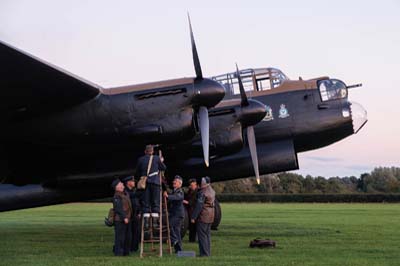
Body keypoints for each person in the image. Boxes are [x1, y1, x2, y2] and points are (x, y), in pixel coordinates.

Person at [135, 145, 166, 230]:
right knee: (155, 202)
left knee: (146, 202)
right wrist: (161, 161)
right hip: (155, 182)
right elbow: (163, 168)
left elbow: (137, 172)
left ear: (145, 151)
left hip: (145, 184)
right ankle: (155, 223)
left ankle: (146, 223)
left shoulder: (140, 159)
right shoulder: (156, 158)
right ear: (152, 151)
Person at [191, 176, 215, 257]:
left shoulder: (202, 192)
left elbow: (199, 205)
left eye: (201, 181)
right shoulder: (212, 191)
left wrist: (193, 217)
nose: (200, 183)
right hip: (211, 215)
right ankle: (208, 252)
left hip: (203, 216)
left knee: (202, 236)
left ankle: (204, 254)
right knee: (207, 235)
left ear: (204, 183)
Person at [111, 179, 132, 256]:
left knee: (127, 237)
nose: (122, 184)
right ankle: (118, 253)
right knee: (120, 238)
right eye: (120, 184)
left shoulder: (124, 194)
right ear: (116, 187)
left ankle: (125, 252)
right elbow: (118, 208)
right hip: (120, 220)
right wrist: (124, 217)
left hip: (127, 218)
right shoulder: (117, 196)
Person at [164, 175, 185, 253]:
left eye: (175, 182)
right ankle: (178, 249)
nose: (173, 182)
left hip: (178, 215)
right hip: (174, 214)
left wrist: (168, 196)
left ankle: (175, 240)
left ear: (180, 184)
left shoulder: (180, 191)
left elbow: (178, 197)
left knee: (169, 225)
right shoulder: (174, 191)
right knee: (176, 231)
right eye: (174, 181)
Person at [122, 176, 141, 253]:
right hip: (128, 215)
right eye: (132, 181)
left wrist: (139, 212)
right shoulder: (125, 192)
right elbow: (133, 196)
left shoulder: (134, 191)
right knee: (128, 233)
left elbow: (138, 203)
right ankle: (128, 247)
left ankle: (134, 248)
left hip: (135, 214)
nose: (134, 183)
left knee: (136, 231)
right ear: (128, 183)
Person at [183, 178, 198, 242]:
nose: (191, 187)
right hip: (190, 210)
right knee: (191, 226)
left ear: (195, 184)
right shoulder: (190, 191)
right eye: (190, 185)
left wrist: (184, 201)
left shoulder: (197, 192)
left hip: (194, 210)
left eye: (192, 185)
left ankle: (193, 239)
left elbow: (192, 202)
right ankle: (191, 239)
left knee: (194, 226)